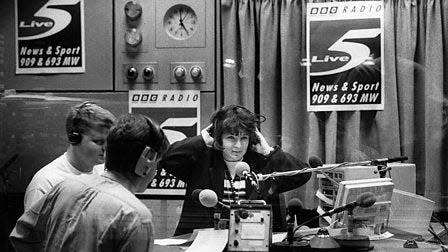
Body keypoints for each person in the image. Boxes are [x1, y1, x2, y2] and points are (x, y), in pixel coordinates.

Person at [10, 113, 170, 251]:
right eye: (158, 162)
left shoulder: (65, 187)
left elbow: (22, 235)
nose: (155, 172)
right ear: (146, 162)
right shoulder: (136, 216)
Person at [160, 105, 311, 235]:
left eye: (244, 138)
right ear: (218, 138)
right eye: (231, 138)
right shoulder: (202, 161)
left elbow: (303, 175)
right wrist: (201, 139)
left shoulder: (264, 164)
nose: (238, 146)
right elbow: (166, 158)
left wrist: (268, 151)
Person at [23, 101, 116, 211]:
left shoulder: (106, 173)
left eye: (108, 141)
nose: (106, 147)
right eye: (98, 141)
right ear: (74, 138)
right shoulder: (46, 183)